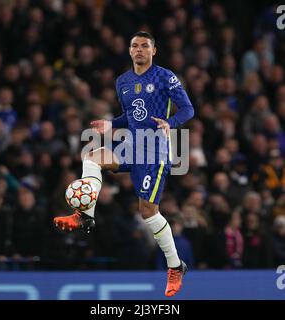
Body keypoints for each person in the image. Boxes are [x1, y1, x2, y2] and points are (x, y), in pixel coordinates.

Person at [54, 31, 194, 297]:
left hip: (155, 151)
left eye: (144, 46)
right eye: (135, 46)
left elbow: (188, 109)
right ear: (129, 51)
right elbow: (130, 116)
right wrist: (112, 124)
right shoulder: (123, 81)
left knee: (148, 212)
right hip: (132, 146)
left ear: (154, 51)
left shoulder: (165, 77)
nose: (139, 50)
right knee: (92, 156)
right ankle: (86, 216)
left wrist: (171, 123)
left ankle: (176, 266)